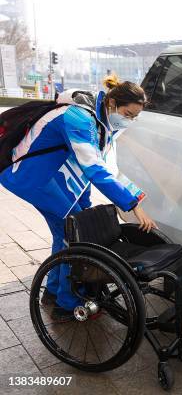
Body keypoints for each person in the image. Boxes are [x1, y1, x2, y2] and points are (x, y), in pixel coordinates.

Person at [0, 75, 157, 322]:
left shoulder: (104, 120)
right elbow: (93, 166)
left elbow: (105, 164)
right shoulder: (79, 118)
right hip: (30, 176)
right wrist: (133, 205)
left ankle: (53, 290)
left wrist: (125, 198)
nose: (129, 121)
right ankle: (67, 303)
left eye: (135, 117)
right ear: (113, 102)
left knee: (68, 228)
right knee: (72, 231)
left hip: (53, 173)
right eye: (128, 114)